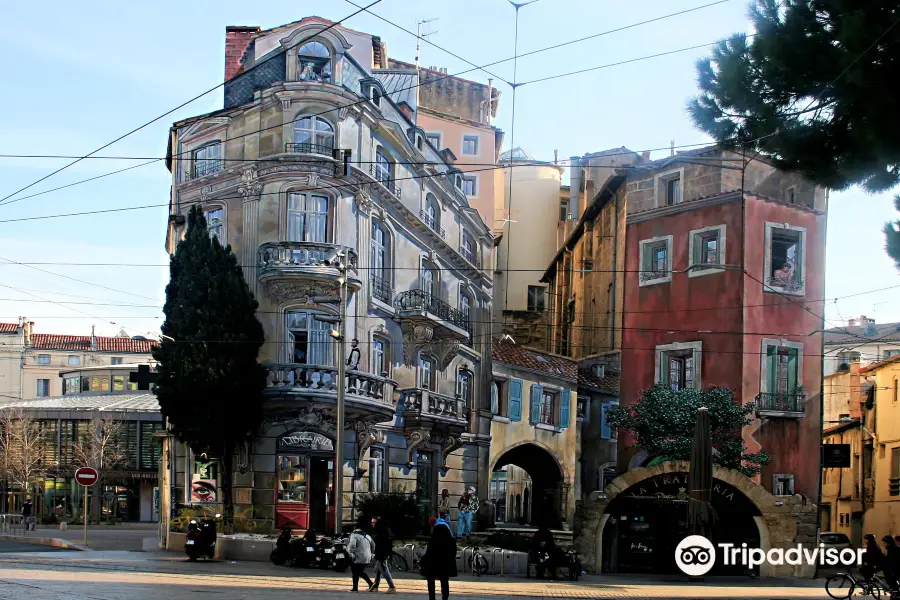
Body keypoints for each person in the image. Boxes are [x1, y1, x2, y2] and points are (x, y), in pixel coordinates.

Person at [421, 517, 457, 600]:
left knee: (430, 580)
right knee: (444, 581)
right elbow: (453, 553)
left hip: (433, 564)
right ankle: (445, 597)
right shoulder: (451, 541)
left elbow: (429, 552)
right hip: (445, 564)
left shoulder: (433, 539)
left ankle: (432, 597)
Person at [347, 517, 375, 592]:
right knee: (358, 571)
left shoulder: (354, 535)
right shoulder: (367, 536)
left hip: (358, 556)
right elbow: (373, 545)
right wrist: (371, 553)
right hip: (367, 557)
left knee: (356, 572)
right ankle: (356, 587)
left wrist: (350, 553)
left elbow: (352, 545)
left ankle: (370, 583)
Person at [370, 517, 396, 593]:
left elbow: (382, 544)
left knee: (384, 569)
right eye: (372, 522)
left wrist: (381, 554)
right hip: (382, 553)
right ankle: (375, 586)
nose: (372, 524)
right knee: (379, 569)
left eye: (374, 522)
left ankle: (392, 587)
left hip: (382, 553)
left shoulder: (382, 531)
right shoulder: (382, 530)